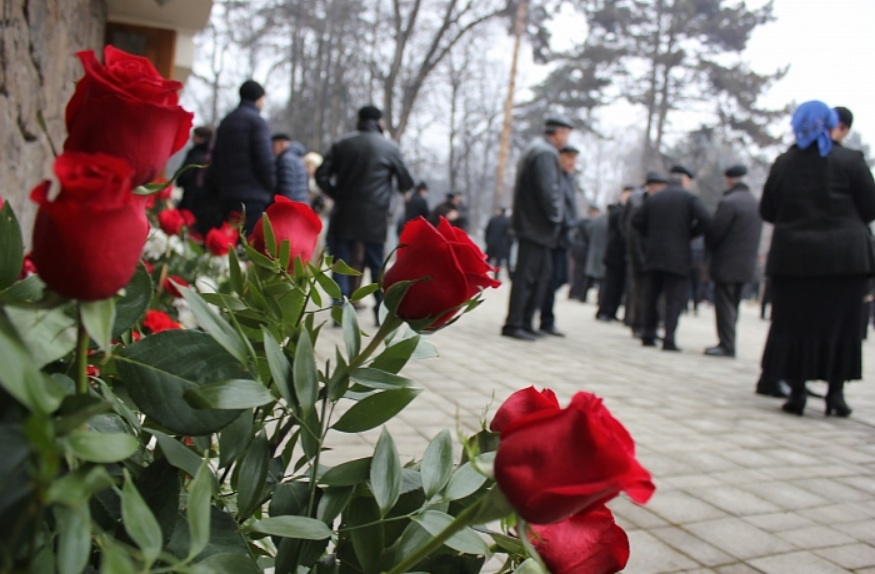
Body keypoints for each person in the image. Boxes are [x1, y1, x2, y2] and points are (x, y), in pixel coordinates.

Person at [758, 101, 875, 417]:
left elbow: (767, 210)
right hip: (845, 262)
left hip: (795, 261)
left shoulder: (785, 163)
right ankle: (836, 394)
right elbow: (870, 207)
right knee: (841, 325)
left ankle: (797, 392)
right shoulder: (850, 161)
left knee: (796, 325)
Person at [315, 105, 414, 316]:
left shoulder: (342, 144)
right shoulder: (390, 148)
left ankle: (339, 310)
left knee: (340, 262)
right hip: (374, 217)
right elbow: (406, 181)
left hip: (344, 212)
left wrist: (336, 194)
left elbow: (321, 175)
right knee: (377, 265)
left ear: (359, 120)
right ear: (380, 122)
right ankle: (381, 311)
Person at [501, 116, 571, 341]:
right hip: (536, 228)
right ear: (558, 132)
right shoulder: (545, 153)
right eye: (566, 133)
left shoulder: (538, 150)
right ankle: (515, 323)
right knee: (528, 277)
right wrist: (556, 218)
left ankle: (524, 321)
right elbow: (547, 191)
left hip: (533, 227)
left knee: (538, 276)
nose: (566, 139)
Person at [632, 165, 711, 351]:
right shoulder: (689, 198)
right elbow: (706, 219)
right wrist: (690, 234)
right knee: (673, 299)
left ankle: (648, 334)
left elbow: (636, 221)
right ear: (684, 181)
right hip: (678, 256)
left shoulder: (655, 198)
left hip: (654, 254)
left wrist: (650, 236)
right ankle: (669, 338)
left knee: (651, 295)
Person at [704, 164, 763, 358]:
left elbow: (715, 232)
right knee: (733, 305)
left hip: (727, 263)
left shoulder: (729, 202)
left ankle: (726, 344)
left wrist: (709, 252)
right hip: (747, 265)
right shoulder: (754, 203)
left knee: (724, 305)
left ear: (729, 179)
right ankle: (729, 341)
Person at [207, 79, 276, 234]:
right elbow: (265, 160)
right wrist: (270, 187)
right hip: (253, 197)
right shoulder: (257, 122)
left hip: (227, 194)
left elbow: (216, 159)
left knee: (226, 242)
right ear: (258, 98)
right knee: (248, 246)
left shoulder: (226, 122)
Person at [539, 144, 580, 336]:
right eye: (568, 157)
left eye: (574, 158)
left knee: (560, 277)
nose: (572, 162)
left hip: (564, 237)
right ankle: (545, 319)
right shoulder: (557, 178)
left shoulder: (569, 179)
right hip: (554, 236)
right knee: (550, 278)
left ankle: (545, 315)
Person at [623, 172, 666, 337]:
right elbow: (627, 226)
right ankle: (637, 323)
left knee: (652, 290)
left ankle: (650, 322)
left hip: (654, 252)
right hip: (637, 250)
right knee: (638, 289)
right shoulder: (636, 201)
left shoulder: (661, 202)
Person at [596, 186, 633, 321]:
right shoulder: (615, 209)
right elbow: (617, 221)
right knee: (610, 284)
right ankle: (603, 310)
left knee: (619, 286)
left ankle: (612, 311)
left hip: (624, 254)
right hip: (613, 253)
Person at [176, 125, 213, 226]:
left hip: (191, 193)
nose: (192, 138)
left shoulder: (195, 153)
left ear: (201, 138)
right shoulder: (210, 154)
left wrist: (179, 179)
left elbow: (186, 173)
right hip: (202, 196)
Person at [271, 133, 309, 203]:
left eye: (273, 145)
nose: (272, 149)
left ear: (281, 144)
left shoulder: (285, 160)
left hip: (292, 206)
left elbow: (287, 188)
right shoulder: (296, 158)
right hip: (300, 203)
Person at [485, 207, 513, 280]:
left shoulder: (493, 220)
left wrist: (487, 241)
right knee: (498, 262)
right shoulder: (507, 222)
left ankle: (481, 273)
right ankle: (496, 277)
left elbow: (487, 231)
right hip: (501, 245)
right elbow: (509, 236)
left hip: (491, 243)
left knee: (486, 261)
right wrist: (508, 245)